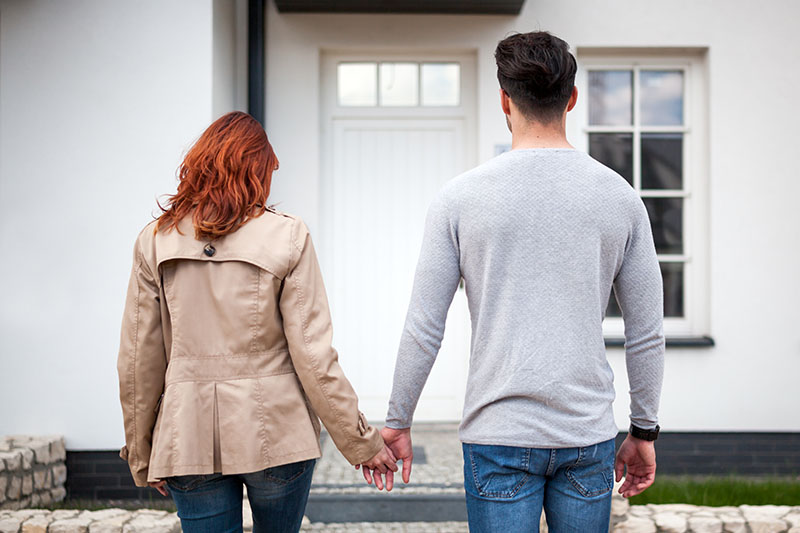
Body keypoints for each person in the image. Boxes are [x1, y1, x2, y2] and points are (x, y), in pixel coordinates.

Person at [370, 32, 665, 532]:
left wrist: (398, 419)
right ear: (571, 99)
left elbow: (424, 324)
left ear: (504, 100)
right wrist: (644, 430)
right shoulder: (620, 198)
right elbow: (646, 331)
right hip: (584, 434)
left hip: (497, 436)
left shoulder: (460, 199)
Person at [117, 111, 397, 533]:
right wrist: (360, 443)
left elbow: (138, 362)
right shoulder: (288, 235)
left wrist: (144, 453)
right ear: (256, 170)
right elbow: (314, 357)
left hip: (186, 432)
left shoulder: (155, 240)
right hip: (278, 433)